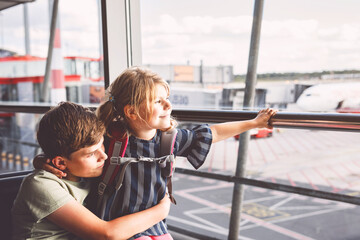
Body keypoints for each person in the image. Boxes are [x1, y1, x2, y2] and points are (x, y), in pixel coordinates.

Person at [94, 67, 277, 240]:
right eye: (158, 101)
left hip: (155, 227)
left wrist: (254, 123)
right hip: (119, 226)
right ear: (132, 112)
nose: (168, 104)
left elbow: (214, 133)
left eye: (167, 98)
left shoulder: (169, 140)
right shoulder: (109, 139)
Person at [11, 102, 171, 240]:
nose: (105, 156)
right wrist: (162, 210)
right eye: (91, 154)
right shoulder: (41, 184)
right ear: (60, 162)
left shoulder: (87, 171)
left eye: (101, 145)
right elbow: (106, 234)